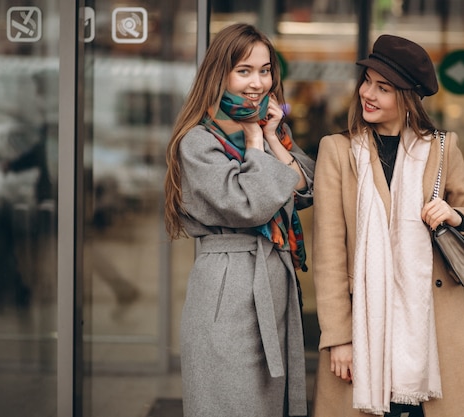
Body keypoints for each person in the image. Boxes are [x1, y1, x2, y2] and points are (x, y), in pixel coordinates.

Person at [311, 34, 464, 417]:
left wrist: (453, 215)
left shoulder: (441, 149)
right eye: (367, 81)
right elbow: (328, 257)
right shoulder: (338, 152)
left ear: (407, 97)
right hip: (364, 329)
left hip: (433, 325)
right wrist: (339, 338)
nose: (367, 93)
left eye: (383, 87)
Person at [163, 23, 314, 417]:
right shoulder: (198, 141)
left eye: (265, 71)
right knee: (229, 401)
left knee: (266, 403)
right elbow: (250, 204)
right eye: (244, 70)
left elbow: (305, 187)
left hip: (271, 281)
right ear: (220, 73)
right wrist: (253, 142)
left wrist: (271, 138)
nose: (257, 83)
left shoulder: (267, 128)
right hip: (227, 289)